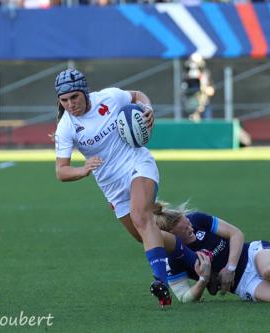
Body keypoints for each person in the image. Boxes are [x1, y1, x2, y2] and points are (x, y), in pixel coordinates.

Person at [53, 68, 198, 307]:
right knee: (143, 234)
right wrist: (83, 169)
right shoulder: (66, 127)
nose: (70, 104)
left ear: (85, 93)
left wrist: (148, 109)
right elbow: (61, 171)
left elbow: (138, 95)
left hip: (138, 164)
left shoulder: (108, 97)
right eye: (64, 100)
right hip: (111, 186)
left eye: (74, 97)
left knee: (142, 218)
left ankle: (161, 282)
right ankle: (197, 261)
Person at [182, 53, 215, 122]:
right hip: (190, 105)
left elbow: (211, 90)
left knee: (206, 125)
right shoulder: (186, 76)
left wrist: (204, 88)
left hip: (203, 104)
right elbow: (183, 90)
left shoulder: (205, 75)